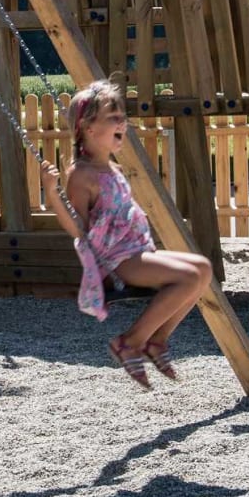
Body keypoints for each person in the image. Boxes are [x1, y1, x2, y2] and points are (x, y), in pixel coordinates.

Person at [43, 78, 212, 389]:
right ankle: (130, 341)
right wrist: (53, 194)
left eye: (122, 115)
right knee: (189, 278)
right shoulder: (81, 175)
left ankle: (157, 340)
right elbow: (78, 230)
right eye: (113, 117)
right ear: (88, 128)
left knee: (203, 269)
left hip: (138, 252)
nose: (122, 121)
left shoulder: (114, 170)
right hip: (117, 262)